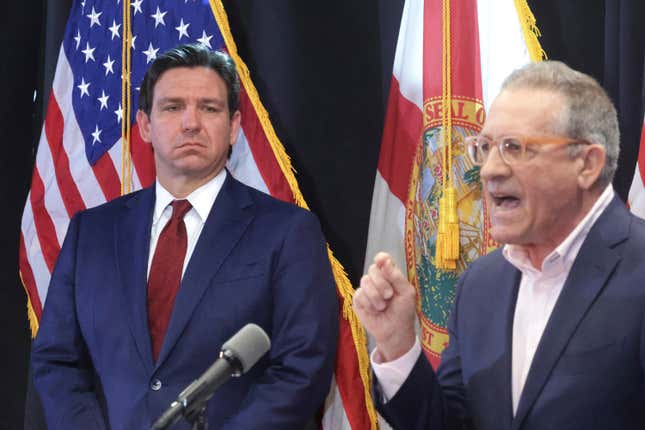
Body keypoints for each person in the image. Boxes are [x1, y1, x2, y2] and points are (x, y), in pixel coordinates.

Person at [31, 44, 338, 430]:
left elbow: (302, 368)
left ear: (235, 126)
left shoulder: (288, 232)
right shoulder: (90, 233)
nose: (191, 122)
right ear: (145, 125)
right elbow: (57, 361)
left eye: (209, 108)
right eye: (173, 107)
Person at [354, 61, 645, 430]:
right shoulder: (481, 282)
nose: (489, 169)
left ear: (586, 164)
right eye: (485, 147)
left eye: (514, 147)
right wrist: (397, 345)